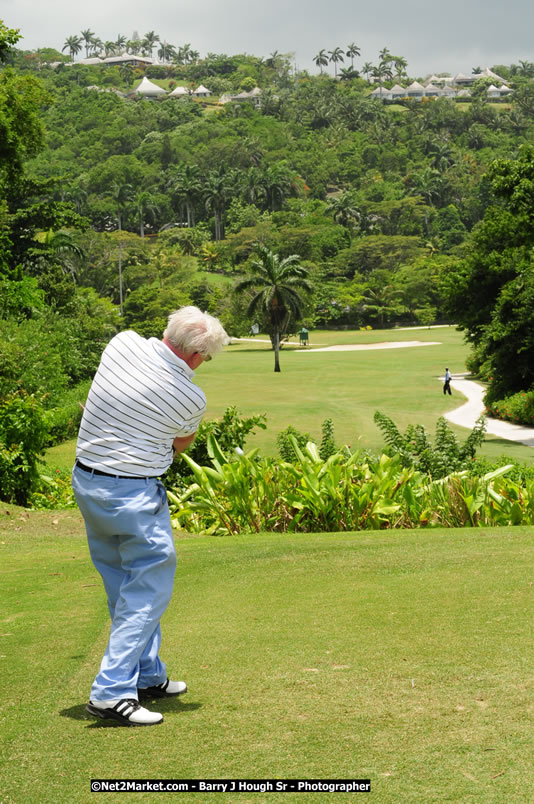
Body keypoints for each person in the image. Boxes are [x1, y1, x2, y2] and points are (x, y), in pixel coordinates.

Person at [72, 306, 228, 727]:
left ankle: (146, 674)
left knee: (122, 584)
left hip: (87, 480)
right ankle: (111, 692)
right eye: (205, 357)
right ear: (195, 355)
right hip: (132, 494)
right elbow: (180, 443)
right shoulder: (190, 396)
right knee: (147, 590)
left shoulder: (121, 343)